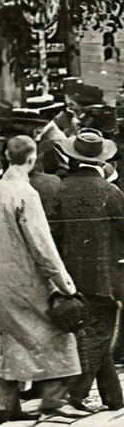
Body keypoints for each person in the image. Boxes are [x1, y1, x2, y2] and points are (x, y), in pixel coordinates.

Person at [0, 133, 85, 424]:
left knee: (10, 339)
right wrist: (65, 284)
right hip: (30, 280)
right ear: (32, 159)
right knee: (57, 337)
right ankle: (53, 400)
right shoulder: (27, 194)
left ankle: (4, 404)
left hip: (1, 282)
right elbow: (41, 244)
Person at [48, 129, 124, 412]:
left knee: (95, 332)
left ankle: (113, 396)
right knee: (100, 333)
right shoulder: (111, 192)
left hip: (70, 275)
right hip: (106, 277)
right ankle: (75, 393)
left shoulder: (60, 189)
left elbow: (53, 234)